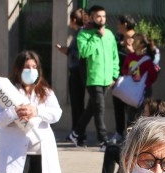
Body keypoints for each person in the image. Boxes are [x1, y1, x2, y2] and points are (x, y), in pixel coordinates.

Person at [68, 5, 119, 149]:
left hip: (107, 78)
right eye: (98, 16)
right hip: (93, 78)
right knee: (100, 108)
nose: (101, 19)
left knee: (93, 108)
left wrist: (114, 75)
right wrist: (96, 37)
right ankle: (103, 140)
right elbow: (84, 52)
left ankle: (76, 132)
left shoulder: (109, 34)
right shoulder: (84, 34)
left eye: (103, 16)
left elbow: (114, 56)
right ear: (91, 18)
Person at [55, 8, 88, 134]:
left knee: (77, 103)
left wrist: (66, 50)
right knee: (77, 103)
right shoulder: (80, 32)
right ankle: (77, 131)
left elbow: (79, 52)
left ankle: (78, 132)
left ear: (74, 20)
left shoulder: (81, 33)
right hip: (78, 71)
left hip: (77, 71)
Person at [109, 14, 137, 142]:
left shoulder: (138, 39)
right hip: (119, 78)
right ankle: (119, 132)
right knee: (118, 107)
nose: (118, 27)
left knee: (132, 110)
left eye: (119, 24)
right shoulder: (117, 38)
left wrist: (131, 50)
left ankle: (131, 136)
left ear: (125, 24)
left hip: (134, 79)